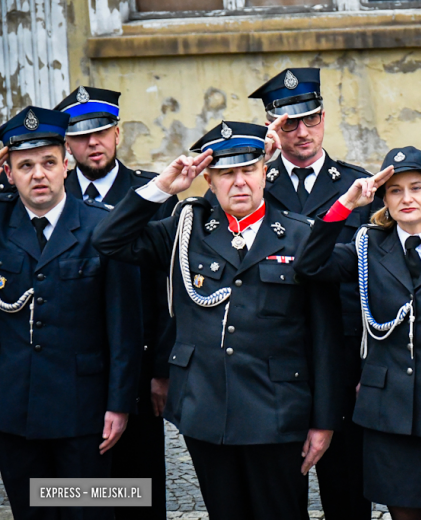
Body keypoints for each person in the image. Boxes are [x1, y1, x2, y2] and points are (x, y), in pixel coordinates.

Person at [92, 119, 342, 519]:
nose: (239, 182)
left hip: (276, 412)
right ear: (209, 180)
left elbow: (325, 337)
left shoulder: (302, 236)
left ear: (266, 172)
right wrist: (163, 188)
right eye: (226, 173)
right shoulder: (186, 229)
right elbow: (109, 240)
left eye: (247, 170)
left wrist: (324, 421)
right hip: (207, 409)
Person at [294, 146, 421, 520]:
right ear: (383, 197)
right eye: (395, 190)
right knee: (403, 514)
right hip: (387, 415)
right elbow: (310, 265)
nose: (406, 198)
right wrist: (346, 203)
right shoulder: (367, 246)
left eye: (416, 188)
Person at [248, 67, 381, 520]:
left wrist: (372, 364)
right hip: (272, 359)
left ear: (324, 118)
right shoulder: (252, 184)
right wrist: (258, 161)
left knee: (347, 493)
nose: (302, 132)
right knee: (278, 497)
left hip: (343, 359)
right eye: (288, 123)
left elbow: (379, 279)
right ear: (272, 125)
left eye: (311, 119)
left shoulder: (358, 187)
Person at [0, 106, 142, 520]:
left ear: (66, 165)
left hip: (83, 413)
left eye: (48, 162)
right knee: (33, 512)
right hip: (14, 411)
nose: (38, 174)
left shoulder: (103, 228)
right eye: (24, 165)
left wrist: (119, 404)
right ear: (8, 173)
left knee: (87, 512)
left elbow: (124, 327)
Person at [54, 85, 177, 520]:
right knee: (82, 488)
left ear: (118, 134)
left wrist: (162, 370)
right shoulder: (52, 191)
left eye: (102, 132)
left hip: (140, 367)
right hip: (71, 370)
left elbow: (169, 293)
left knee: (138, 485)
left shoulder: (154, 196)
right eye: (81, 135)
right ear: (66, 143)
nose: (93, 143)